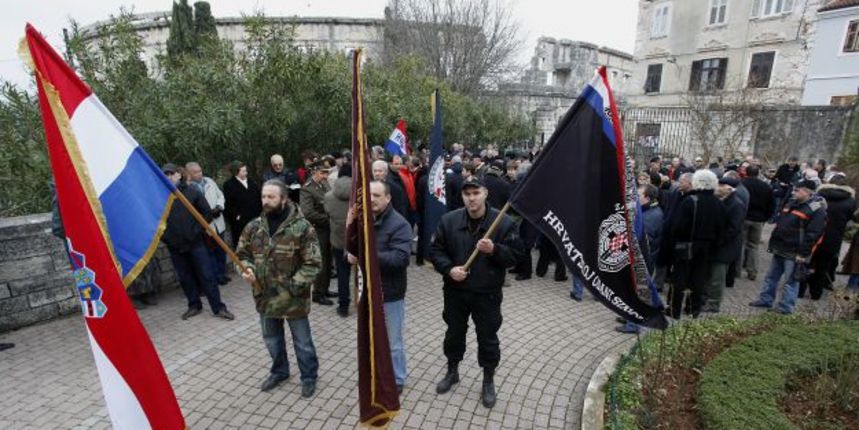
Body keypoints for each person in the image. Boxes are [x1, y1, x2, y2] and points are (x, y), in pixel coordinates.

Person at [430, 177, 523, 409]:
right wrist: (449, 269)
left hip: (487, 294)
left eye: (476, 193)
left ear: (485, 194)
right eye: (467, 194)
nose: (471, 198)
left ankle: (488, 380)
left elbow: (516, 256)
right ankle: (453, 371)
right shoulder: (449, 220)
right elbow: (435, 250)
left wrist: (495, 249)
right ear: (462, 196)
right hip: (455, 292)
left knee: (488, 338)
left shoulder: (503, 223)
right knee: (453, 334)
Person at [236, 179, 321, 397]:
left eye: (271, 197)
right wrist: (246, 268)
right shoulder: (254, 227)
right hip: (264, 296)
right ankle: (280, 371)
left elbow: (312, 263)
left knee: (302, 342)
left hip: (294, 298)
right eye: (264, 196)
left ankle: (309, 376)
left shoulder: (302, 228)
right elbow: (242, 255)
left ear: (284, 199)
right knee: (272, 340)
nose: (266, 201)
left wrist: (292, 287)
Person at [348, 181, 412, 393]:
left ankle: (398, 378)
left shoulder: (400, 224)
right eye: (369, 195)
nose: (372, 199)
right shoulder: (361, 220)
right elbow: (351, 247)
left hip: (390, 293)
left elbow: (400, 259)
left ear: (388, 198)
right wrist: (348, 254)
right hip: (364, 291)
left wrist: (367, 254)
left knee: (393, 341)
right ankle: (375, 374)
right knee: (369, 337)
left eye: (377, 195)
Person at [161, 163, 234, 321]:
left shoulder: (192, 192)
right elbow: (155, 223)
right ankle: (194, 305)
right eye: (165, 174)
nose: (168, 177)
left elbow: (206, 214)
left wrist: (195, 232)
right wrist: (167, 239)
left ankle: (218, 307)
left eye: (171, 173)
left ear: (179, 175)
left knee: (207, 275)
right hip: (175, 247)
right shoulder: (160, 198)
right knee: (185, 278)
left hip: (195, 243)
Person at [750, 180, 826, 314]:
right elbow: (782, 223)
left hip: (795, 251)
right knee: (771, 277)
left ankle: (786, 307)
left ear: (807, 192)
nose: (793, 192)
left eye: (797, 190)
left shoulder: (816, 210)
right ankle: (766, 299)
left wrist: (803, 254)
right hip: (780, 246)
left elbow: (813, 234)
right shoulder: (792, 203)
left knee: (790, 281)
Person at [667, 170, 725, 319]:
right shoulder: (718, 203)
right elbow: (721, 228)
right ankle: (693, 308)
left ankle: (674, 310)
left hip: (686, 245)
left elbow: (678, 226)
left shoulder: (689, 201)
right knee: (698, 278)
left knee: (679, 278)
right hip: (707, 247)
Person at [800, 174, 855, 300]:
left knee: (806, 264)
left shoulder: (818, 197)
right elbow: (849, 218)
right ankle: (816, 293)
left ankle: (800, 290)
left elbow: (808, 212)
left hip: (815, 235)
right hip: (834, 238)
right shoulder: (851, 201)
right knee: (823, 267)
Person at [703, 176, 744, 313]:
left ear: (728, 188)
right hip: (715, 245)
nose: (716, 188)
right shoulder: (721, 201)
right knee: (709, 275)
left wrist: (717, 241)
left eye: (719, 185)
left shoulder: (737, 204)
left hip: (724, 247)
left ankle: (713, 303)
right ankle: (706, 299)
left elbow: (733, 229)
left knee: (717, 277)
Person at [186, 162, 230, 285]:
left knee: (221, 250)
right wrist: (206, 214)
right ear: (189, 174)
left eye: (200, 170)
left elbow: (220, 195)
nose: (200, 174)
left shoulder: (209, 181)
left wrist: (219, 206)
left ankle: (222, 273)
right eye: (196, 172)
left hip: (218, 221)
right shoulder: (189, 188)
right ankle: (215, 276)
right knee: (210, 252)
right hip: (206, 225)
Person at [300, 158, 336, 306]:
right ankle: (317, 293)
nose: (325, 176)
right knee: (321, 262)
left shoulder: (324, 183)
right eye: (322, 173)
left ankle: (325, 288)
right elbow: (308, 212)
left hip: (328, 229)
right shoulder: (307, 188)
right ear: (314, 172)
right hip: (318, 229)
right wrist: (328, 220)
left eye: (327, 173)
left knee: (328, 260)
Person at [324, 164, 352, 317]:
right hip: (358, 242)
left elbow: (327, 213)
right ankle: (365, 305)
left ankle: (343, 307)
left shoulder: (328, 196)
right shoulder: (361, 196)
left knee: (342, 276)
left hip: (338, 241)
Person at [741, 165, 774, 281]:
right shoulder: (766, 186)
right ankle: (752, 271)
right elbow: (771, 205)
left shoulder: (742, 184)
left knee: (741, 243)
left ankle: (736, 269)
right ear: (758, 173)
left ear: (746, 172)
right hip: (758, 220)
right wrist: (765, 217)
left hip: (744, 217)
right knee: (753, 246)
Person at [223, 161, 262, 249]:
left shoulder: (251, 182)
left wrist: (260, 211)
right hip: (240, 221)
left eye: (246, 170)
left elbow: (258, 196)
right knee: (242, 242)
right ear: (236, 172)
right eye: (243, 171)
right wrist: (237, 216)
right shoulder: (229, 185)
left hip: (255, 216)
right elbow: (228, 203)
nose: (246, 173)